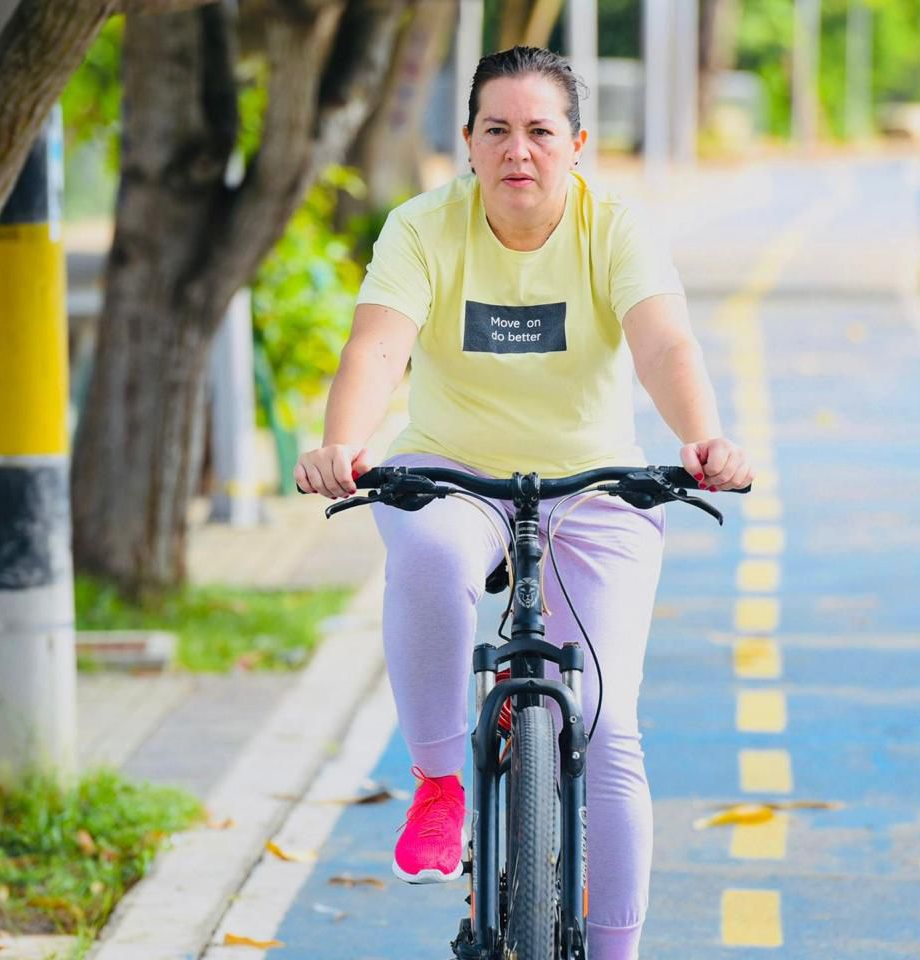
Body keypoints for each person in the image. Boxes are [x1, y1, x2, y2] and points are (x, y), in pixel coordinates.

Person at [295, 46, 752, 960]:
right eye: (496, 130)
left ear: (577, 144)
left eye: (541, 132)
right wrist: (344, 441)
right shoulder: (423, 227)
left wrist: (701, 437)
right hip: (452, 473)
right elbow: (378, 350)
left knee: (608, 723)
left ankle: (616, 951)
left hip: (596, 486)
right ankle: (437, 782)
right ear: (466, 142)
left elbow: (665, 348)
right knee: (426, 556)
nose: (519, 151)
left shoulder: (616, 229)